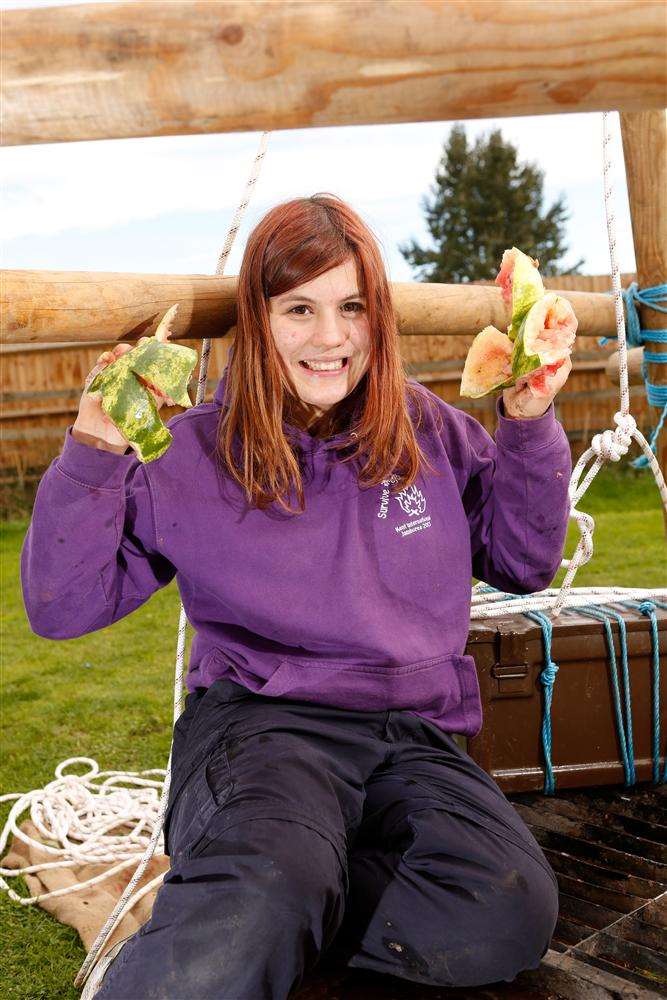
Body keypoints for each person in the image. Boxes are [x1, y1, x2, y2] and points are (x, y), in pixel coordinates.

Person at [21, 193, 572, 1000]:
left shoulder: (431, 430)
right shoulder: (192, 450)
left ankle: (284, 904)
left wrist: (527, 420)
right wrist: (97, 448)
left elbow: (523, 561)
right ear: (257, 316)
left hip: (414, 737)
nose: (329, 336)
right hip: (262, 726)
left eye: (351, 307)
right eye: (299, 308)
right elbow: (61, 608)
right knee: (271, 882)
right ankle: (265, 897)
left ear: (377, 317)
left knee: (505, 909)